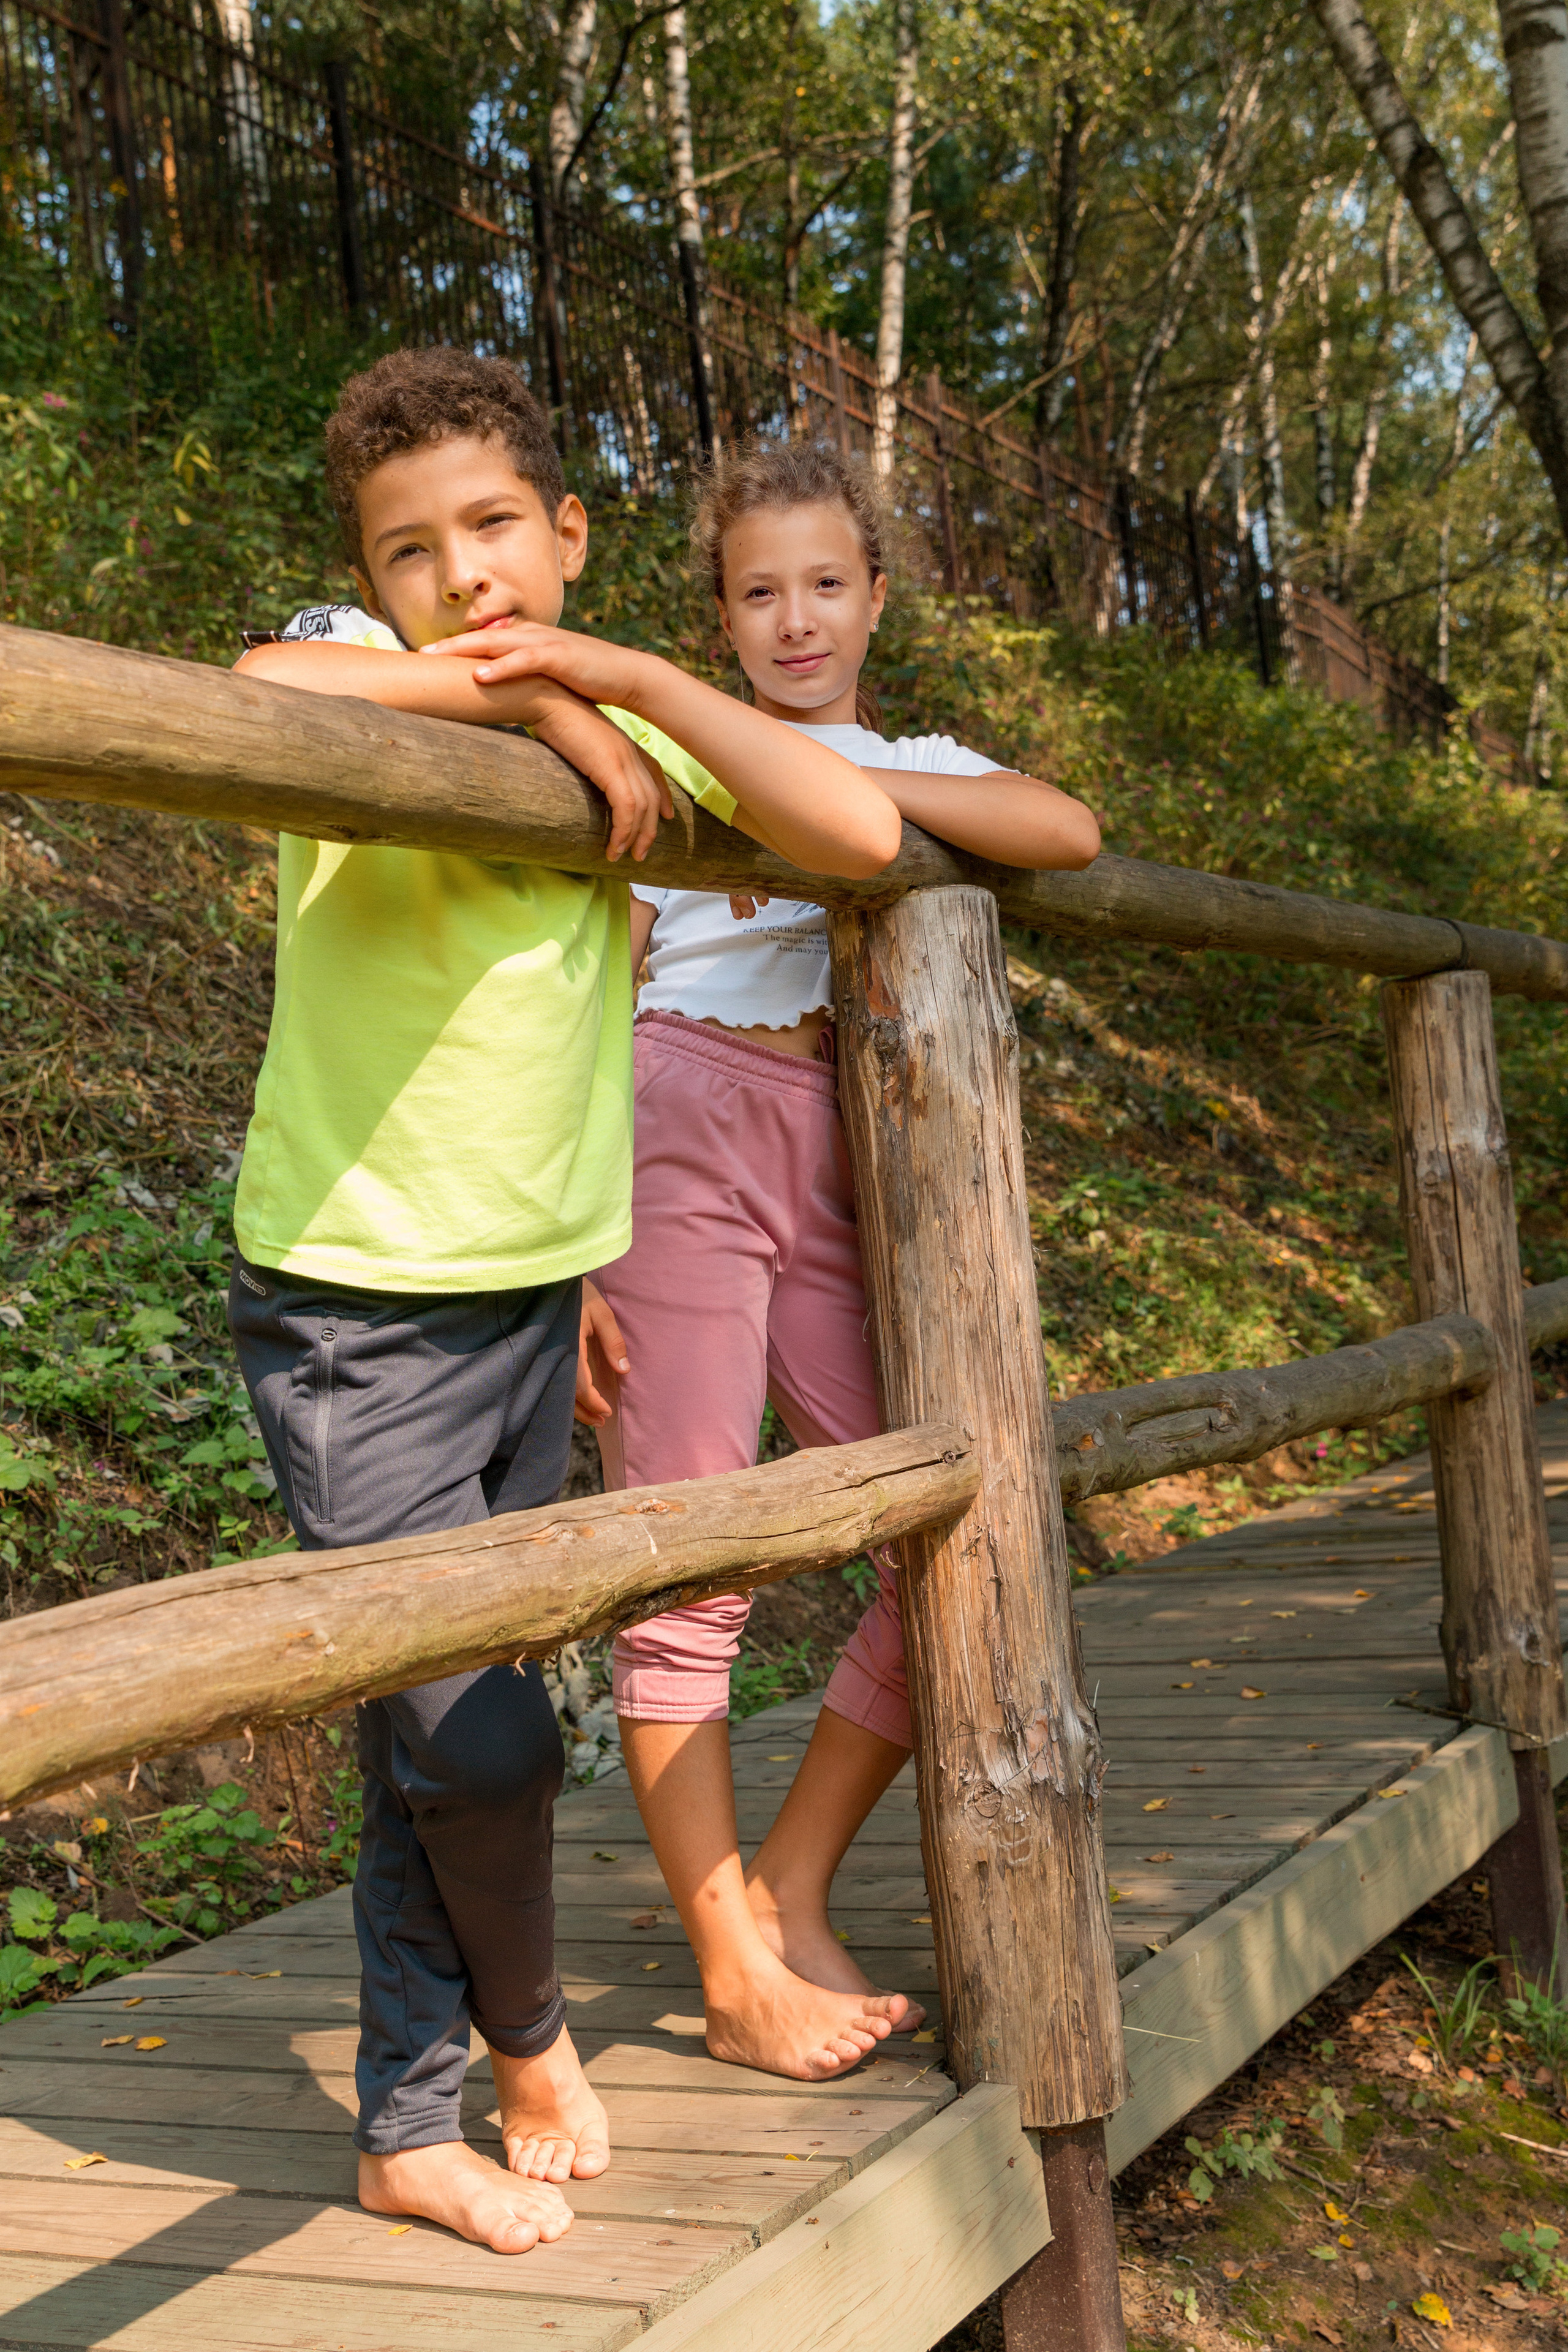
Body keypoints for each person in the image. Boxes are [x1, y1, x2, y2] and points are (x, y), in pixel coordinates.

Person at [228, 355, 903, 2256]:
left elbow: (852, 839)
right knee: (480, 1732)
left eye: (497, 532)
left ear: (573, 533)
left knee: (441, 1725)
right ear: (370, 573)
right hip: (356, 1295)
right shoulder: (349, 658)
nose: (458, 572)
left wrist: (620, 684)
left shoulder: (611, 710)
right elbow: (257, 696)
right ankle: (523, 2042)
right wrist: (510, 682)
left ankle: (399, 2114)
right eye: (412, 550)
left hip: (532, 1301)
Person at [570, 438, 1101, 2085]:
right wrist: (581, 1234)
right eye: (755, 591)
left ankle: (787, 1883)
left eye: (822, 584)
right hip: (680, 1127)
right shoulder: (670, 752)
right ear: (718, 617)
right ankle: (729, 1964)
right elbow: (603, 981)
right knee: (696, 1545)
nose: (793, 619)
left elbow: (1060, 827)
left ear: (875, 594)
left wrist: (867, 788)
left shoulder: (904, 752)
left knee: (946, 1522)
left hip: (846, 1152)